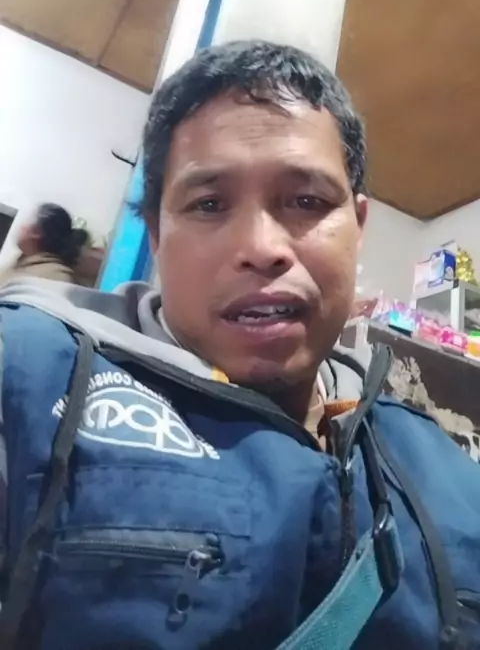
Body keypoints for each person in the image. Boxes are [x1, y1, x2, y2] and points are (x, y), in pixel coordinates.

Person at [0, 41, 478, 650]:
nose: (262, 247)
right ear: (156, 234)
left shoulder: (439, 465)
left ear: (358, 227)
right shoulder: (31, 374)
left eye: (307, 202)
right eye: (208, 204)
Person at [0, 203, 89, 286]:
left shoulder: (54, 279)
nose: (20, 227)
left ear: (37, 232)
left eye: (25, 223)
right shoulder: (21, 260)